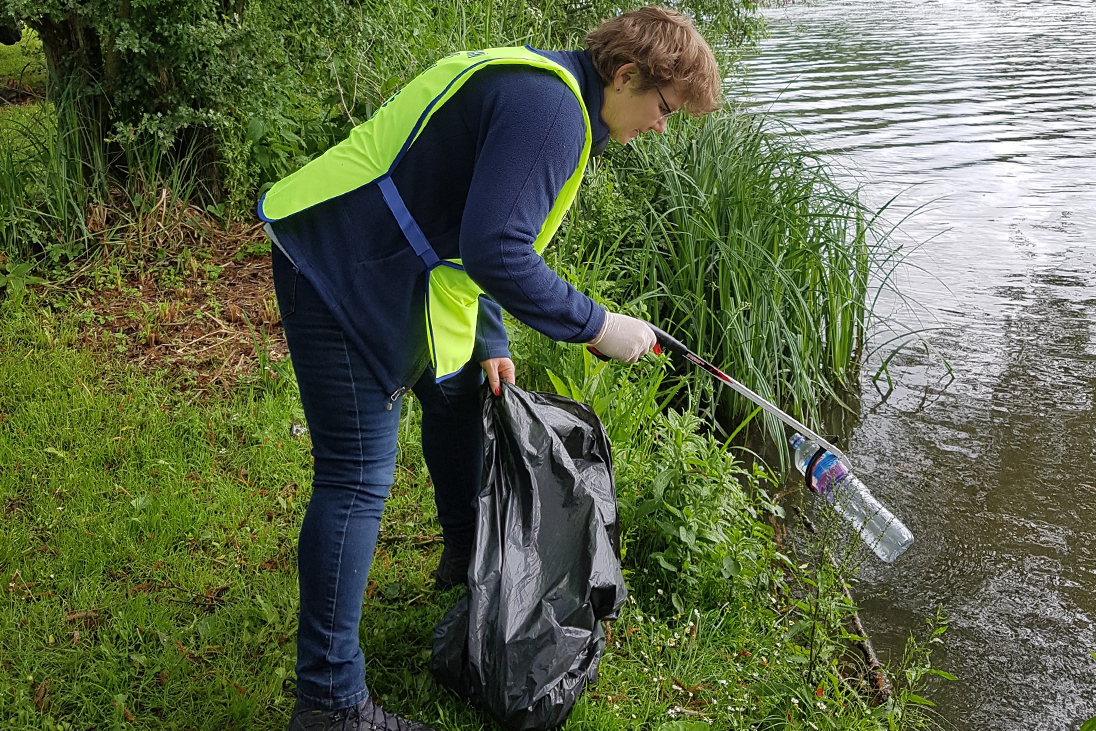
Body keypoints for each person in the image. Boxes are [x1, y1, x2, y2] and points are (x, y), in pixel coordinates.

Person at [259, 7, 721, 730]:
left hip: (379, 260)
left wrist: (492, 333)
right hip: (340, 265)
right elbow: (499, 250)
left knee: (463, 387)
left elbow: (474, 216)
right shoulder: (554, 115)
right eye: (663, 109)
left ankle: (466, 556)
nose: (662, 127)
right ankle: (329, 700)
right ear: (626, 75)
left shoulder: (553, 91)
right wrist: (600, 326)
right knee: (354, 477)